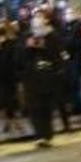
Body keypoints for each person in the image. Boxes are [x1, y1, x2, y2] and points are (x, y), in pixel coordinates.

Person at [18, 9, 64, 147]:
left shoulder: (52, 36)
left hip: (48, 77)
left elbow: (58, 57)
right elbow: (19, 58)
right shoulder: (27, 36)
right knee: (34, 107)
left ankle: (47, 134)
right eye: (35, 17)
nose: (37, 20)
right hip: (32, 78)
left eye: (40, 17)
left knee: (46, 107)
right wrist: (28, 47)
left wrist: (44, 47)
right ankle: (39, 135)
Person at [0, 18, 24, 135]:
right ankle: (10, 120)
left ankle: (13, 121)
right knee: (5, 98)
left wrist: (5, 42)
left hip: (12, 74)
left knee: (13, 98)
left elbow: (14, 57)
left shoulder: (12, 41)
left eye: (2, 24)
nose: (0, 27)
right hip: (0, 75)